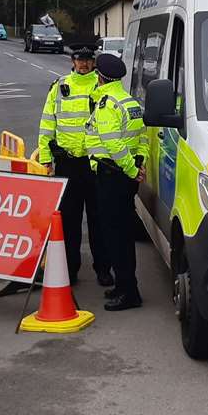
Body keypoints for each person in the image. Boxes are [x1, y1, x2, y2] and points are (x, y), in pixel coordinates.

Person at [37, 37, 105, 285]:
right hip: (67, 163)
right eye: (80, 59)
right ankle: (71, 268)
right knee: (69, 220)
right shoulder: (59, 86)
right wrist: (45, 156)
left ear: (93, 61)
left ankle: (103, 268)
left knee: (99, 219)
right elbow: (48, 122)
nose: (84, 64)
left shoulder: (101, 86)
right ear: (72, 61)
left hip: (95, 162)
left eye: (88, 59)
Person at [84, 53, 146, 311]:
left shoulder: (108, 105)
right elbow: (141, 138)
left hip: (113, 176)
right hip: (124, 177)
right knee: (122, 234)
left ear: (99, 76)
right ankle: (123, 285)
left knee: (117, 236)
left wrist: (132, 169)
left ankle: (129, 292)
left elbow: (114, 145)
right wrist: (139, 165)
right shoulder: (129, 101)